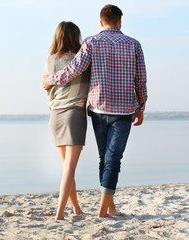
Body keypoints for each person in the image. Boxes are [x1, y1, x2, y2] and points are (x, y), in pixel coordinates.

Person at [43, 5, 147, 218]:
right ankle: (103, 208)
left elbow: (74, 70)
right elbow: (141, 80)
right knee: (113, 158)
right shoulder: (135, 45)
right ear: (120, 21)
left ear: (101, 22)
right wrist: (141, 107)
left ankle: (103, 207)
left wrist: (49, 80)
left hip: (97, 108)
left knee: (104, 159)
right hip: (125, 109)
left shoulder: (91, 42)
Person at [44, 21, 91, 220]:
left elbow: (48, 89)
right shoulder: (82, 60)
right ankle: (60, 213)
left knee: (66, 168)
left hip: (55, 115)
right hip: (74, 113)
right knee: (70, 168)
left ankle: (76, 209)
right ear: (76, 36)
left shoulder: (51, 60)